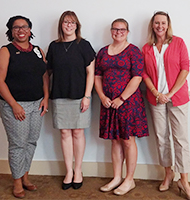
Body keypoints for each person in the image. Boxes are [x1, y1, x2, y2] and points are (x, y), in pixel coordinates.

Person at [0, 16, 49, 198]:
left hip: (37, 104)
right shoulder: (5, 51)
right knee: (18, 145)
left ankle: (25, 177)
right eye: (16, 27)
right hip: (15, 106)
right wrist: (14, 105)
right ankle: (17, 183)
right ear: (11, 31)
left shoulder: (38, 50)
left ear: (30, 30)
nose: (21, 30)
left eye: (24, 26)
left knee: (31, 142)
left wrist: (46, 97)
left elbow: (44, 75)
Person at [94, 18, 149, 196]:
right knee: (115, 140)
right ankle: (116, 177)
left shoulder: (133, 51)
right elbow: (97, 76)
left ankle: (129, 179)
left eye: (122, 29)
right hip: (108, 103)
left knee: (127, 140)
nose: (118, 32)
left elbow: (137, 77)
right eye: (115, 29)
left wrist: (121, 98)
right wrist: (102, 96)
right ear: (111, 31)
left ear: (127, 31)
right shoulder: (102, 52)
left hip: (128, 103)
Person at [142, 11, 190, 199]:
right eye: (156, 23)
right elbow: (144, 73)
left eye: (163, 23)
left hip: (177, 98)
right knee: (162, 138)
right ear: (152, 25)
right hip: (156, 99)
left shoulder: (178, 43)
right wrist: (156, 93)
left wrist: (169, 94)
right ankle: (168, 173)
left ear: (168, 25)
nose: (160, 26)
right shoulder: (146, 48)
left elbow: (185, 68)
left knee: (181, 139)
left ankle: (184, 179)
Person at [46, 11, 95, 190]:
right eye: (66, 22)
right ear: (61, 25)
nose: (69, 25)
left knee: (78, 133)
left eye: (72, 22)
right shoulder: (54, 46)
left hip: (80, 96)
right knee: (65, 133)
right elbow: (47, 73)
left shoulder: (84, 45)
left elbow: (91, 72)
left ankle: (78, 170)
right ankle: (68, 171)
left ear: (77, 25)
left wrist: (87, 96)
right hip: (59, 95)